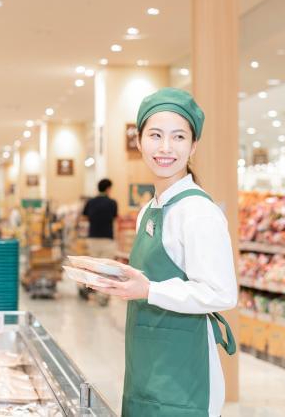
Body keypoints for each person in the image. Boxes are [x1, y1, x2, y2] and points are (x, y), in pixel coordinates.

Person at [89, 88, 238, 416]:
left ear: (193, 145)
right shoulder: (149, 210)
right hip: (146, 363)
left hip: (183, 375)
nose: (166, 147)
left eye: (179, 137)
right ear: (139, 141)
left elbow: (222, 293)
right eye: (155, 135)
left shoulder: (198, 211)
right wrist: (123, 278)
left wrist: (150, 290)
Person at [80, 178, 118, 305]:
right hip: (107, 238)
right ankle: (103, 296)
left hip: (93, 238)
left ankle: (93, 292)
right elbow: (114, 218)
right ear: (108, 189)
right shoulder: (112, 203)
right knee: (106, 269)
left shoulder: (90, 202)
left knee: (93, 268)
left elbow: (84, 216)